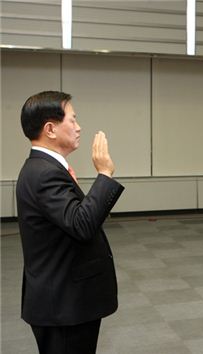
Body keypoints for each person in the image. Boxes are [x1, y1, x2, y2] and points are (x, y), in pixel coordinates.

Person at [16, 91, 124, 354]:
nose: (79, 127)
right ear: (50, 129)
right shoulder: (44, 174)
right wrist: (104, 174)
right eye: (72, 120)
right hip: (63, 304)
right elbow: (82, 224)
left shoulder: (44, 168)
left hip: (63, 298)